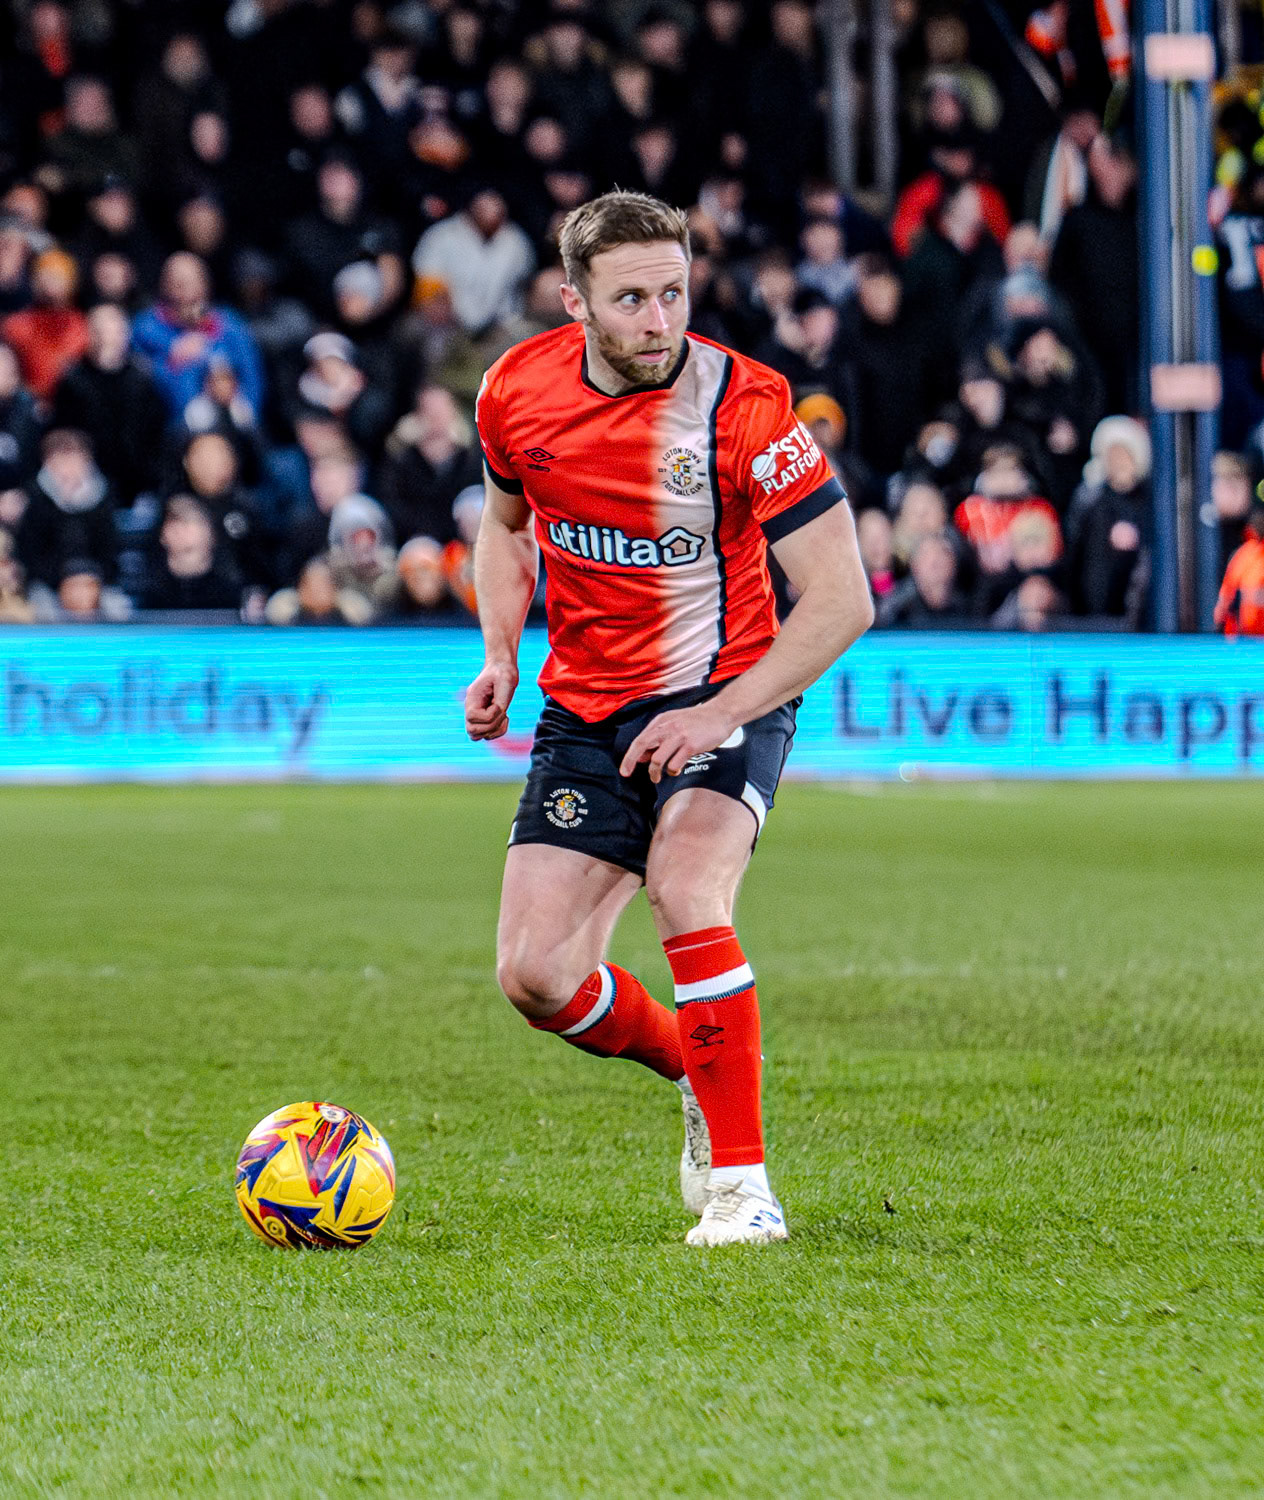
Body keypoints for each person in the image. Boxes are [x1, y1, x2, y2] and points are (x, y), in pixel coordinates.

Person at [467, 190, 872, 1246]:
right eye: (633, 299)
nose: (661, 320)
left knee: (689, 892)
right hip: (587, 709)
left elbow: (841, 599)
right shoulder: (516, 392)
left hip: (727, 691)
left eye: (675, 293)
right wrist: (501, 653)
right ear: (575, 303)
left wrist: (719, 714)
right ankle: (695, 1068)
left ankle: (744, 1191)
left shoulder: (745, 409)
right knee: (536, 976)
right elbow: (503, 530)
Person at [1214, 492, 1264, 636]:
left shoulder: (1245, 554)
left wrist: (1221, 610)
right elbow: (1229, 588)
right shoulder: (1245, 554)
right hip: (1249, 628)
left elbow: (1228, 590)